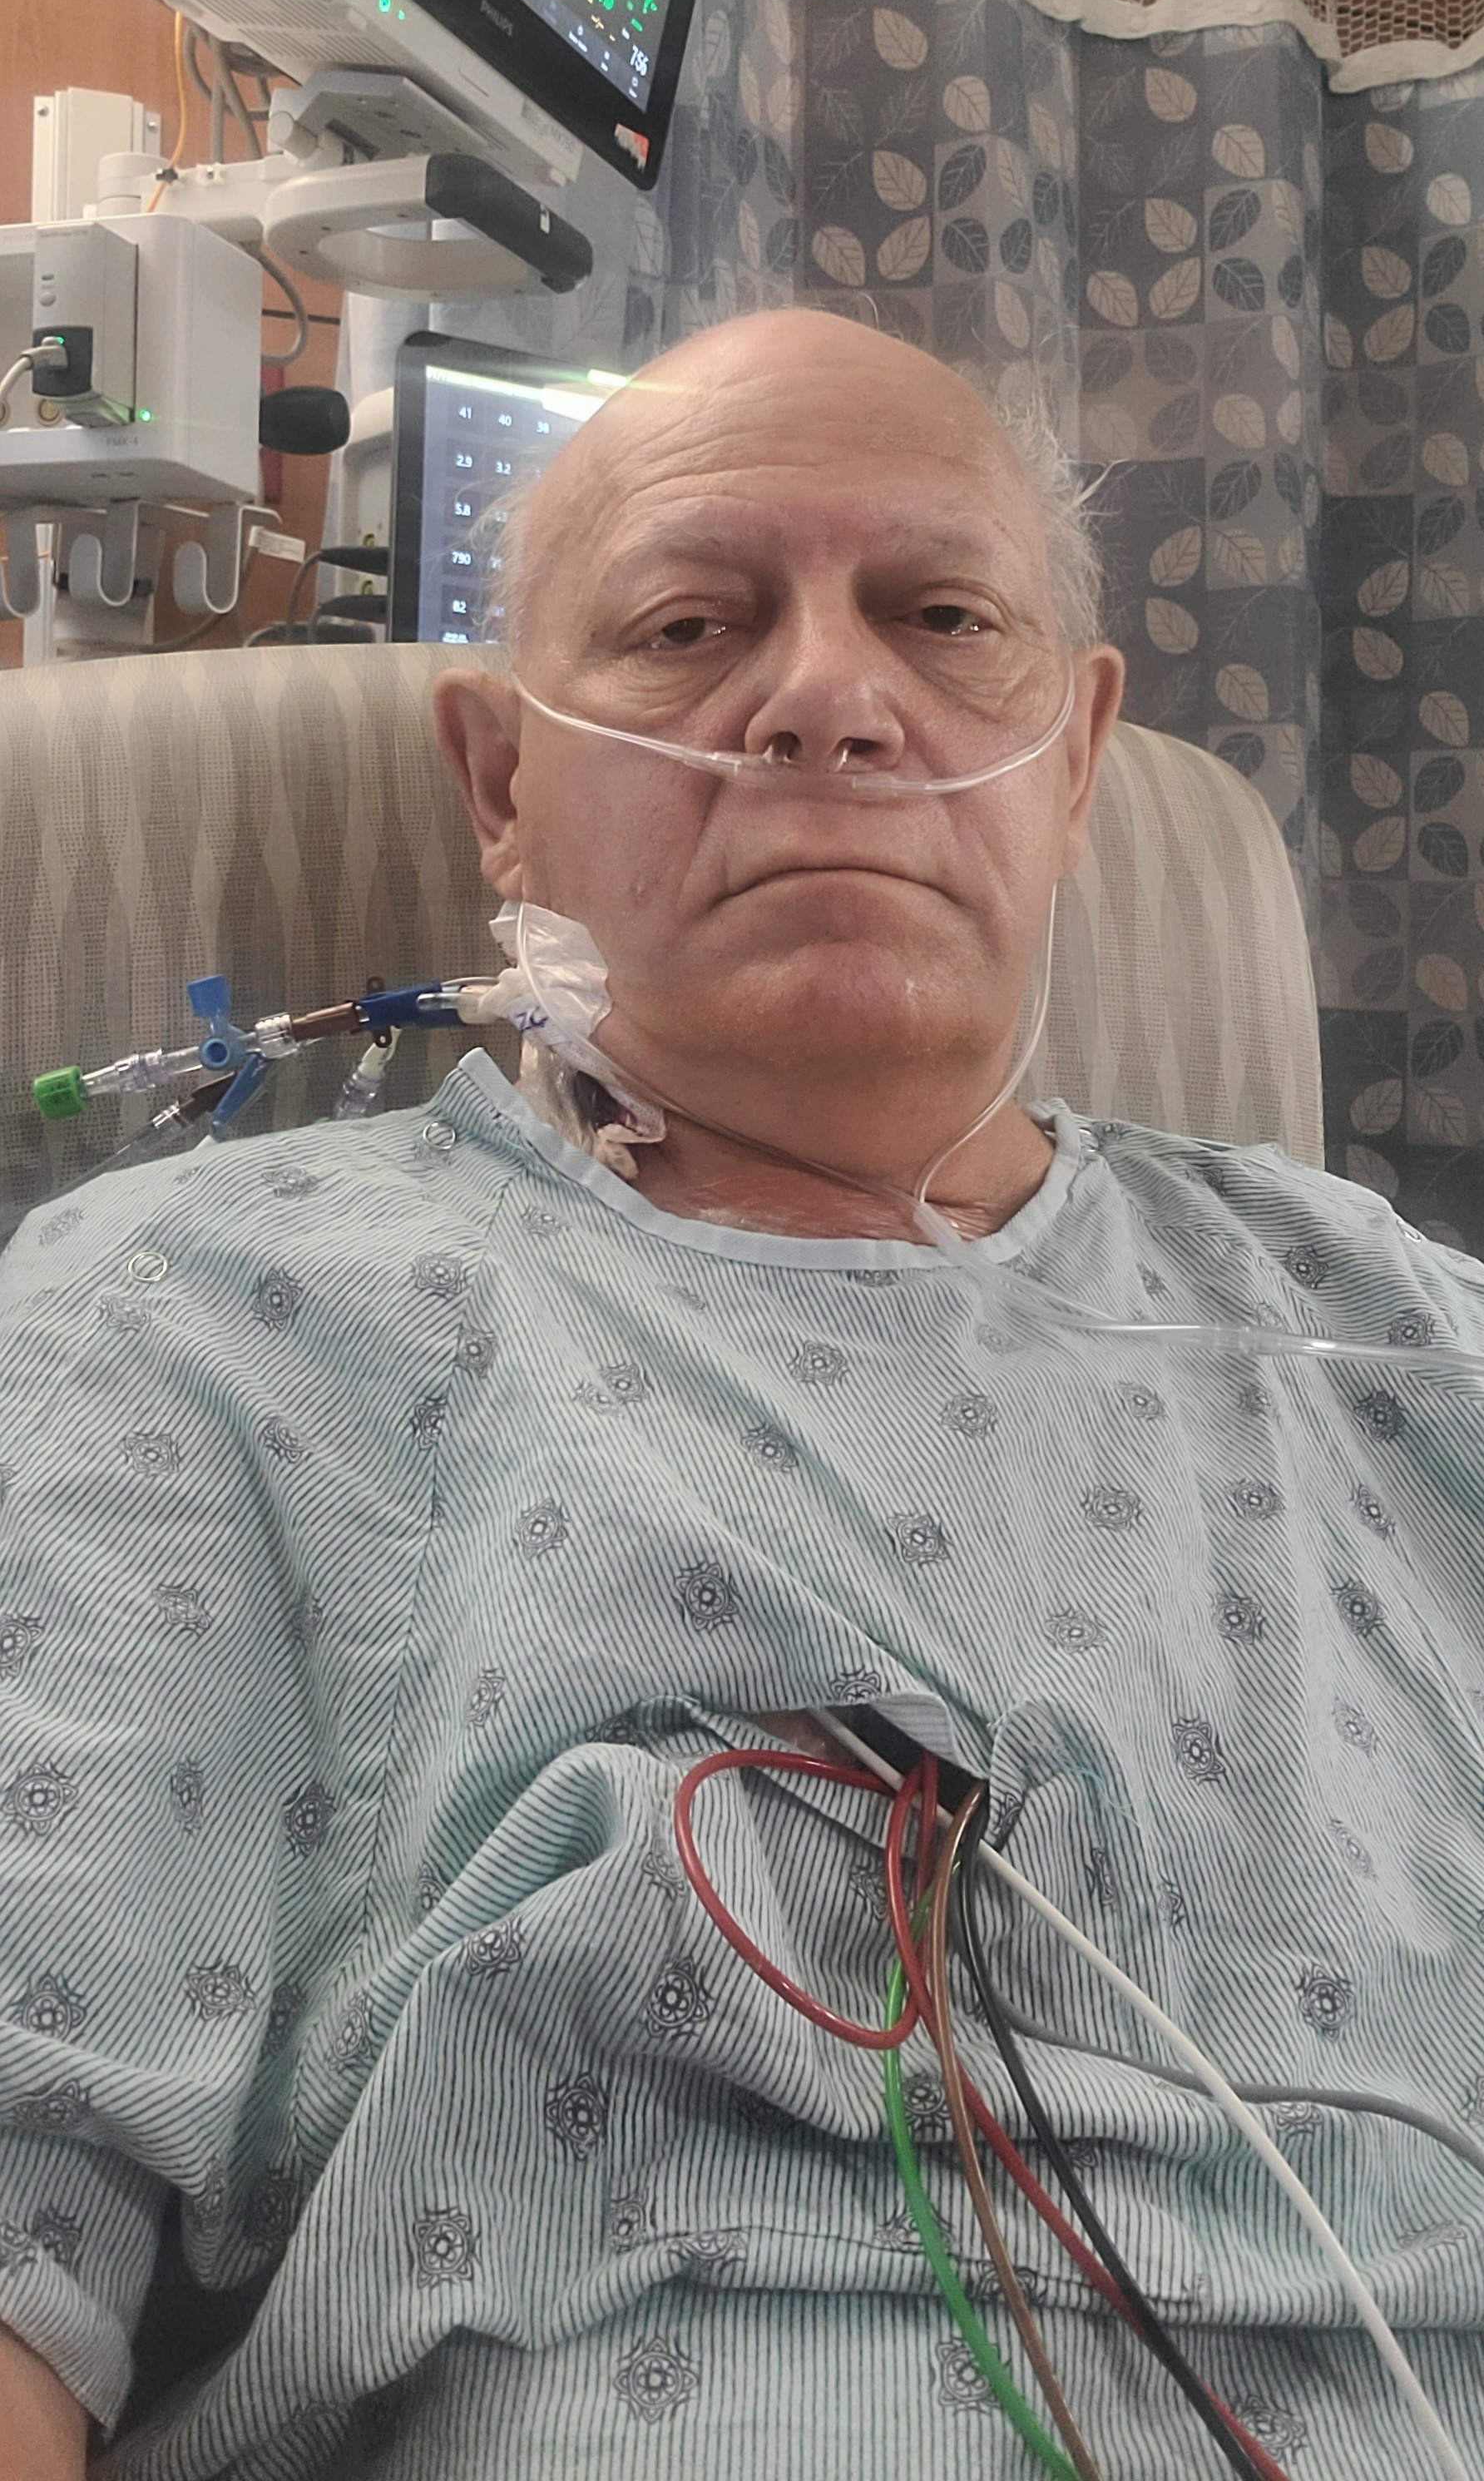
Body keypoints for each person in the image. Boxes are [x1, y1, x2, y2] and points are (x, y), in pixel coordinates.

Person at [2, 306, 1482, 2481]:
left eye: (942, 619)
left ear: (1075, 762)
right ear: (503, 787)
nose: (827, 701)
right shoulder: (209, 1323)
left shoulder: (1401, 1337)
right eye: (691, 625)